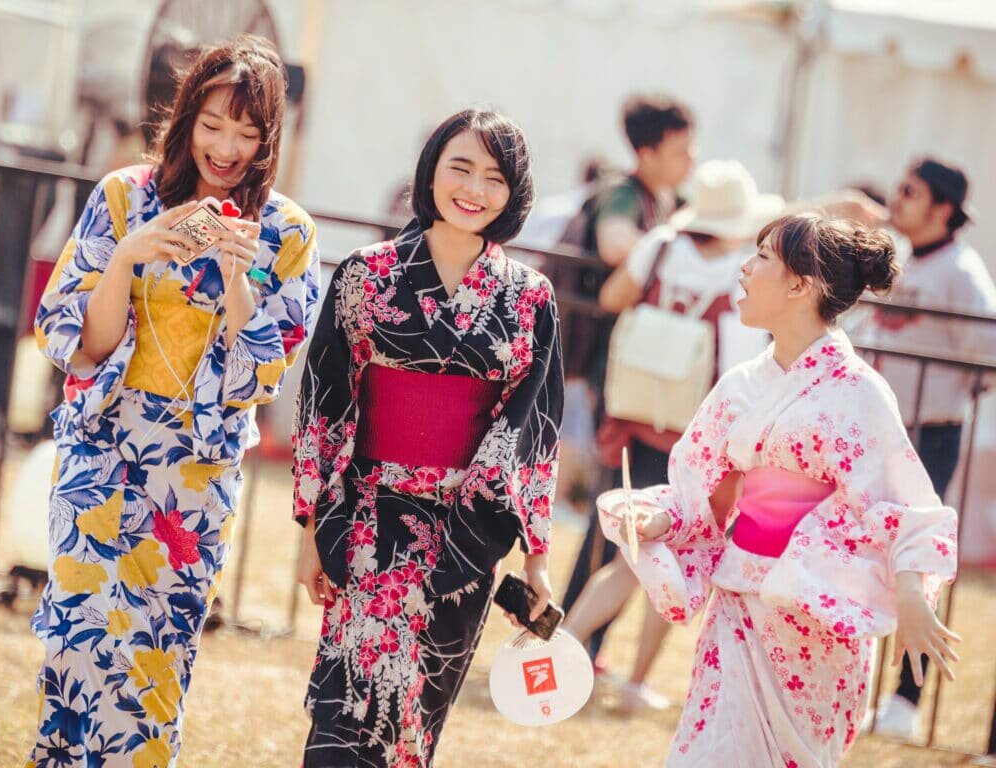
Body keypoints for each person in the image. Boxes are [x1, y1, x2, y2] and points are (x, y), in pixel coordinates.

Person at [27, 35, 319, 767]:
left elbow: (260, 378)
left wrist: (237, 282)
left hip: (195, 471)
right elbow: (75, 341)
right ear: (186, 116)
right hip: (104, 446)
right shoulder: (124, 196)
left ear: (270, 139)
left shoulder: (287, 233)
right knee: (80, 642)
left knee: (160, 656)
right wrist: (130, 255)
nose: (226, 148)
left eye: (248, 134)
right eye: (213, 124)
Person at [598, 212, 959, 766]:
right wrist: (659, 520)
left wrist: (911, 591)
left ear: (800, 284)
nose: (744, 266)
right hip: (739, 603)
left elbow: (901, 503)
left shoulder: (859, 392)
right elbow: (698, 490)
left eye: (762, 255)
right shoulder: (742, 383)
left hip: (812, 611)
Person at [292, 108, 563, 768]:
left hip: (465, 532)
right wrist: (308, 532)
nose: (472, 189)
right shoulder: (365, 273)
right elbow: (326, 401)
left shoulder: (530, 296)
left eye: (493, 178)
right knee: (344, 710)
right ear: (431, 172)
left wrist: (535, 560)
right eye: (459, 168)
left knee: (416, 720)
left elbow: (533, 429)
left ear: (514, 192)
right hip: (366, 517)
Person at [563, 160, 778, 710]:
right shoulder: (743, 270)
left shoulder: (658, 243)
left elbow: (613, 297)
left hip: (633, 415)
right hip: (697, 438)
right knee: (677, 557)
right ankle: (634, 681)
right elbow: (739, 362)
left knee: (615, 546)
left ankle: (563, 651)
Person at [859, 158, 996, 738]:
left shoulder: (962, 272)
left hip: (931, 431)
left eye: (910, 192)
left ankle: (907, 702)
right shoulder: (905, 255)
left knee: (918, 561)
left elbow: (986, 352)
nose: (897, 199)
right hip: (885, 427)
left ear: (942, 208)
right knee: (865, 550)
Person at [559, 95, 695, 665]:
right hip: (618, 382)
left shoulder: (663, 202)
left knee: (616, 514)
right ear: (647, 151)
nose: (689, 160)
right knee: (613, 513)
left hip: (636, 381)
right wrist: (680, 254)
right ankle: (572, 640)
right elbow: (617, 245)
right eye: (680, 148)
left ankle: (579, 640)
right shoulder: (624, 195)